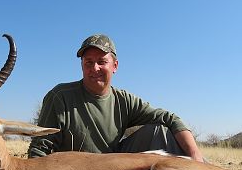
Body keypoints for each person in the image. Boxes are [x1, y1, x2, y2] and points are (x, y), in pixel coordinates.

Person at [28, 34, 203, 162]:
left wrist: (195, 155)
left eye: (102, 62)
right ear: (81, 65)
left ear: (115, 66)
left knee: (159, 132)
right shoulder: (60, 97)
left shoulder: (124, 100)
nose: (94, 68)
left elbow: (170, 119)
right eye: (88, 62)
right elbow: (39, 150)